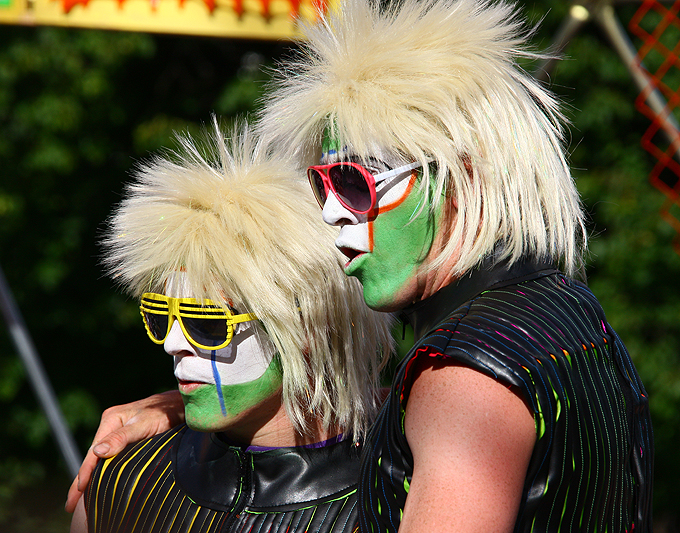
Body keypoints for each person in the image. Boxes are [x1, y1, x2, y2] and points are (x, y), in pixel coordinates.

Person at [68, 1, 655, 532]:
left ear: (459, 176)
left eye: (354, 184)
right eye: (320, 188)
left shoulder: (463, 375)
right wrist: (183, 409)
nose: (333, 219)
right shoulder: (565, 309)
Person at [68, 121, 393, 533]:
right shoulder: (123, 478)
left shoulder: (401, 495)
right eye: (159, 315)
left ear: (306, 327)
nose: (172, 343)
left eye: (205, 323)